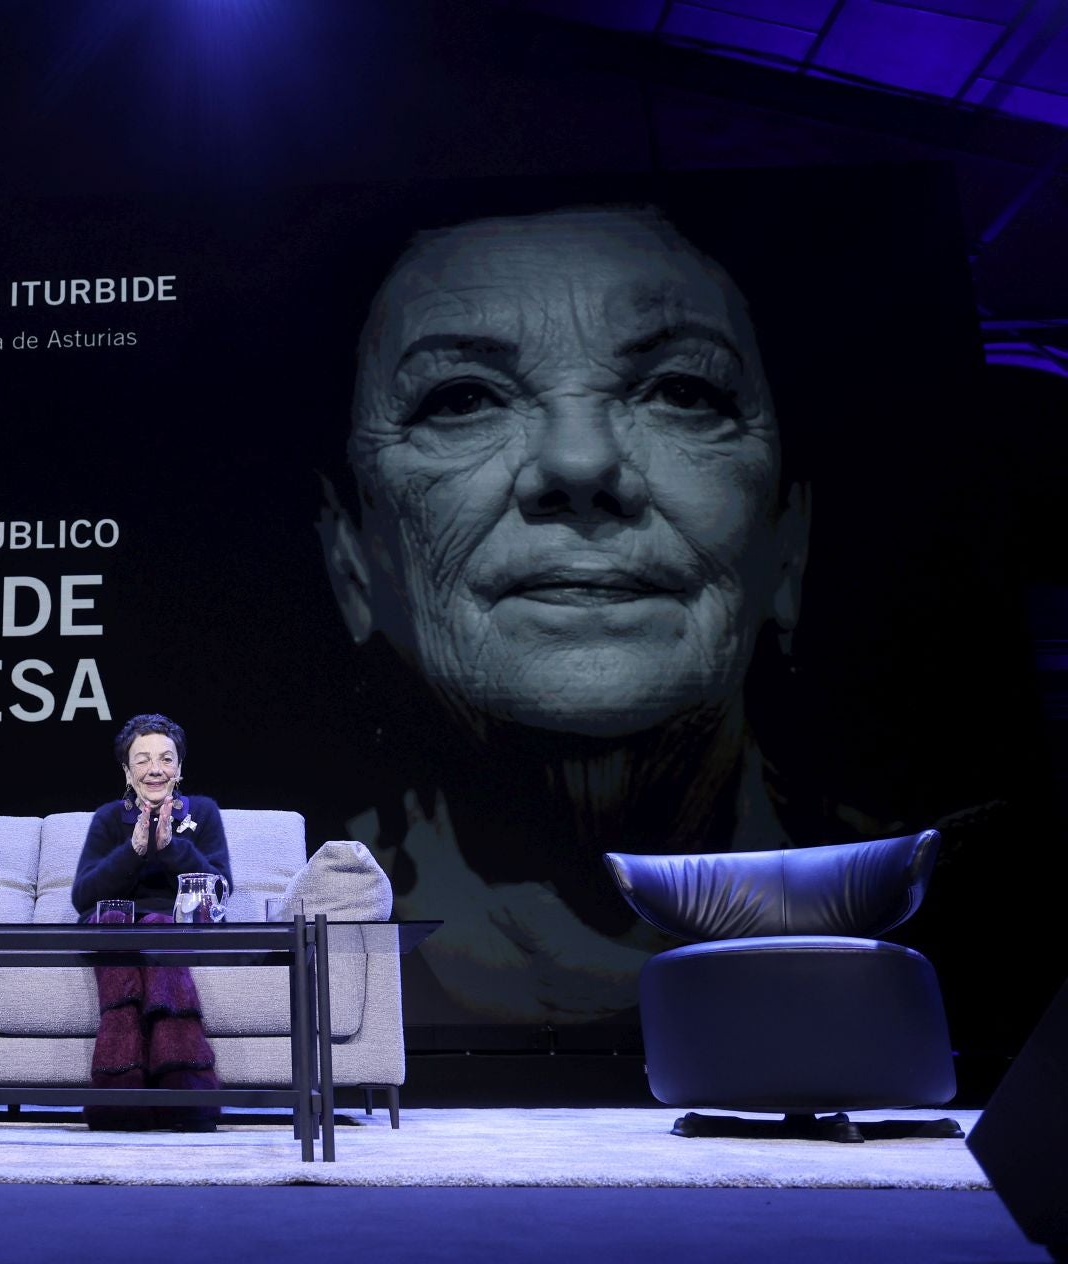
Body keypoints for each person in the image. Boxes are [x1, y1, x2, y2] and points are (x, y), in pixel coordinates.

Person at [318, 205, 819, 1026]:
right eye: (463, 398)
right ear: (353, 560)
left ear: (788, 538)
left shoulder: (954, 901)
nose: (580, 463)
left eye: (682, 391)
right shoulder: (278, 935)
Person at [71, 713, 232, 1130]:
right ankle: (129, 1097)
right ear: (126, 771)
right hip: (115, 927)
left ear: (180, 768)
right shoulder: (109, 818)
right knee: (124, 931)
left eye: (165, 758)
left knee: (160, 925)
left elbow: (220, 890)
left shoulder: (205, 813)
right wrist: (133, 851)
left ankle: (180, 1095)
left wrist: (172, 847)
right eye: (142, 760)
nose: (155, 769)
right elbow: (82, 897)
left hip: (174, 925)